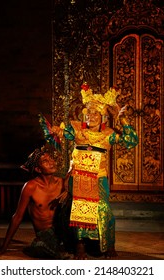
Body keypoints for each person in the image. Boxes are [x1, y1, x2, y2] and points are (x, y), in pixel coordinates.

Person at [39, 83, 139, 260]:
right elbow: (58, 136)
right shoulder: (76, 129)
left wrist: (122, 119)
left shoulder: (108, 134)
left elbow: (131, 141)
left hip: (99, 179)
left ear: (103, 118)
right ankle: (80, 247)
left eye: (96, 113)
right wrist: (55, 131)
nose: (91, 116)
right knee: (79, 210)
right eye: (89, 112)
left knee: (103, 209)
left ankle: (109, 245)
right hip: (78, 177)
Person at [0, 146, 71, 259]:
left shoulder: (63, 183)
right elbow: (18, 216)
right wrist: (4, 247)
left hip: (62, 231)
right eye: (45, 161)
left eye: (51, 159)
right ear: (38, 169)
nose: (51, 162)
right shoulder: (31, 187)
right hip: (44, 235)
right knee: (39, 247)